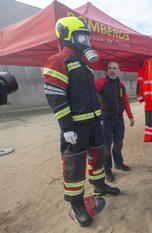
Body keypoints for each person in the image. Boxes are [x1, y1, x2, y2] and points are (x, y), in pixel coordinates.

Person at [43, 17, 119, 227]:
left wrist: (98, 120)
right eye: (81, 36)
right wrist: (66, 126)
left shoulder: (84, 64)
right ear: (67, 36)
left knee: (98, 157)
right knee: (74, 167)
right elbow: (55, 96)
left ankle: (99, 186)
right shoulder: (58, 60)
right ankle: (77, 204)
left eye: (87, 36)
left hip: (94, 124)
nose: (86, 40)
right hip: (75, 127)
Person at [95, 61, 135, 182]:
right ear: (106, 70)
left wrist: (130, 116)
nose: (112, 70)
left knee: (118, 143)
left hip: (118, 119)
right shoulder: (99, 83)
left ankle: (118, 163)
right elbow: (89, 93)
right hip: (105, 120)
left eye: (114, 68)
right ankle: (107, 169)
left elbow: (126, 101)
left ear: (119, 71)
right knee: (106, 147)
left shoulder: (121, 85)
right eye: (110, 68)